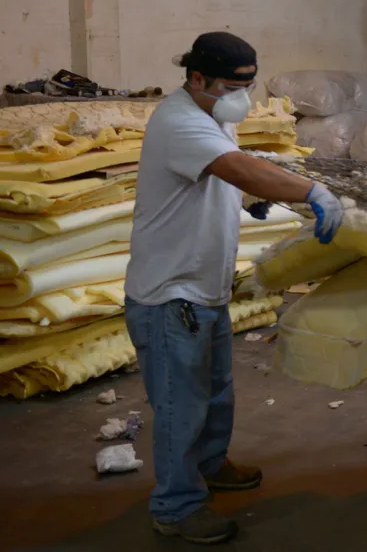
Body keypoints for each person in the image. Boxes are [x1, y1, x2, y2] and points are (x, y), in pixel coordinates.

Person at [124, 32, 345, 544]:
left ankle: (211, 463)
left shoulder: (213, 115)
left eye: (246, 85)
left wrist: (245, 204)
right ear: (196, 78)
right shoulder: (179, 120)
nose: (239, 98)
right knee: (182, 405)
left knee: (216, 391)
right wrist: (313, 191)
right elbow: (238, 166)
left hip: (204, 287)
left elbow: (221, 173)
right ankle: (176, 507)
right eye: (230, 86)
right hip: (169, 294)